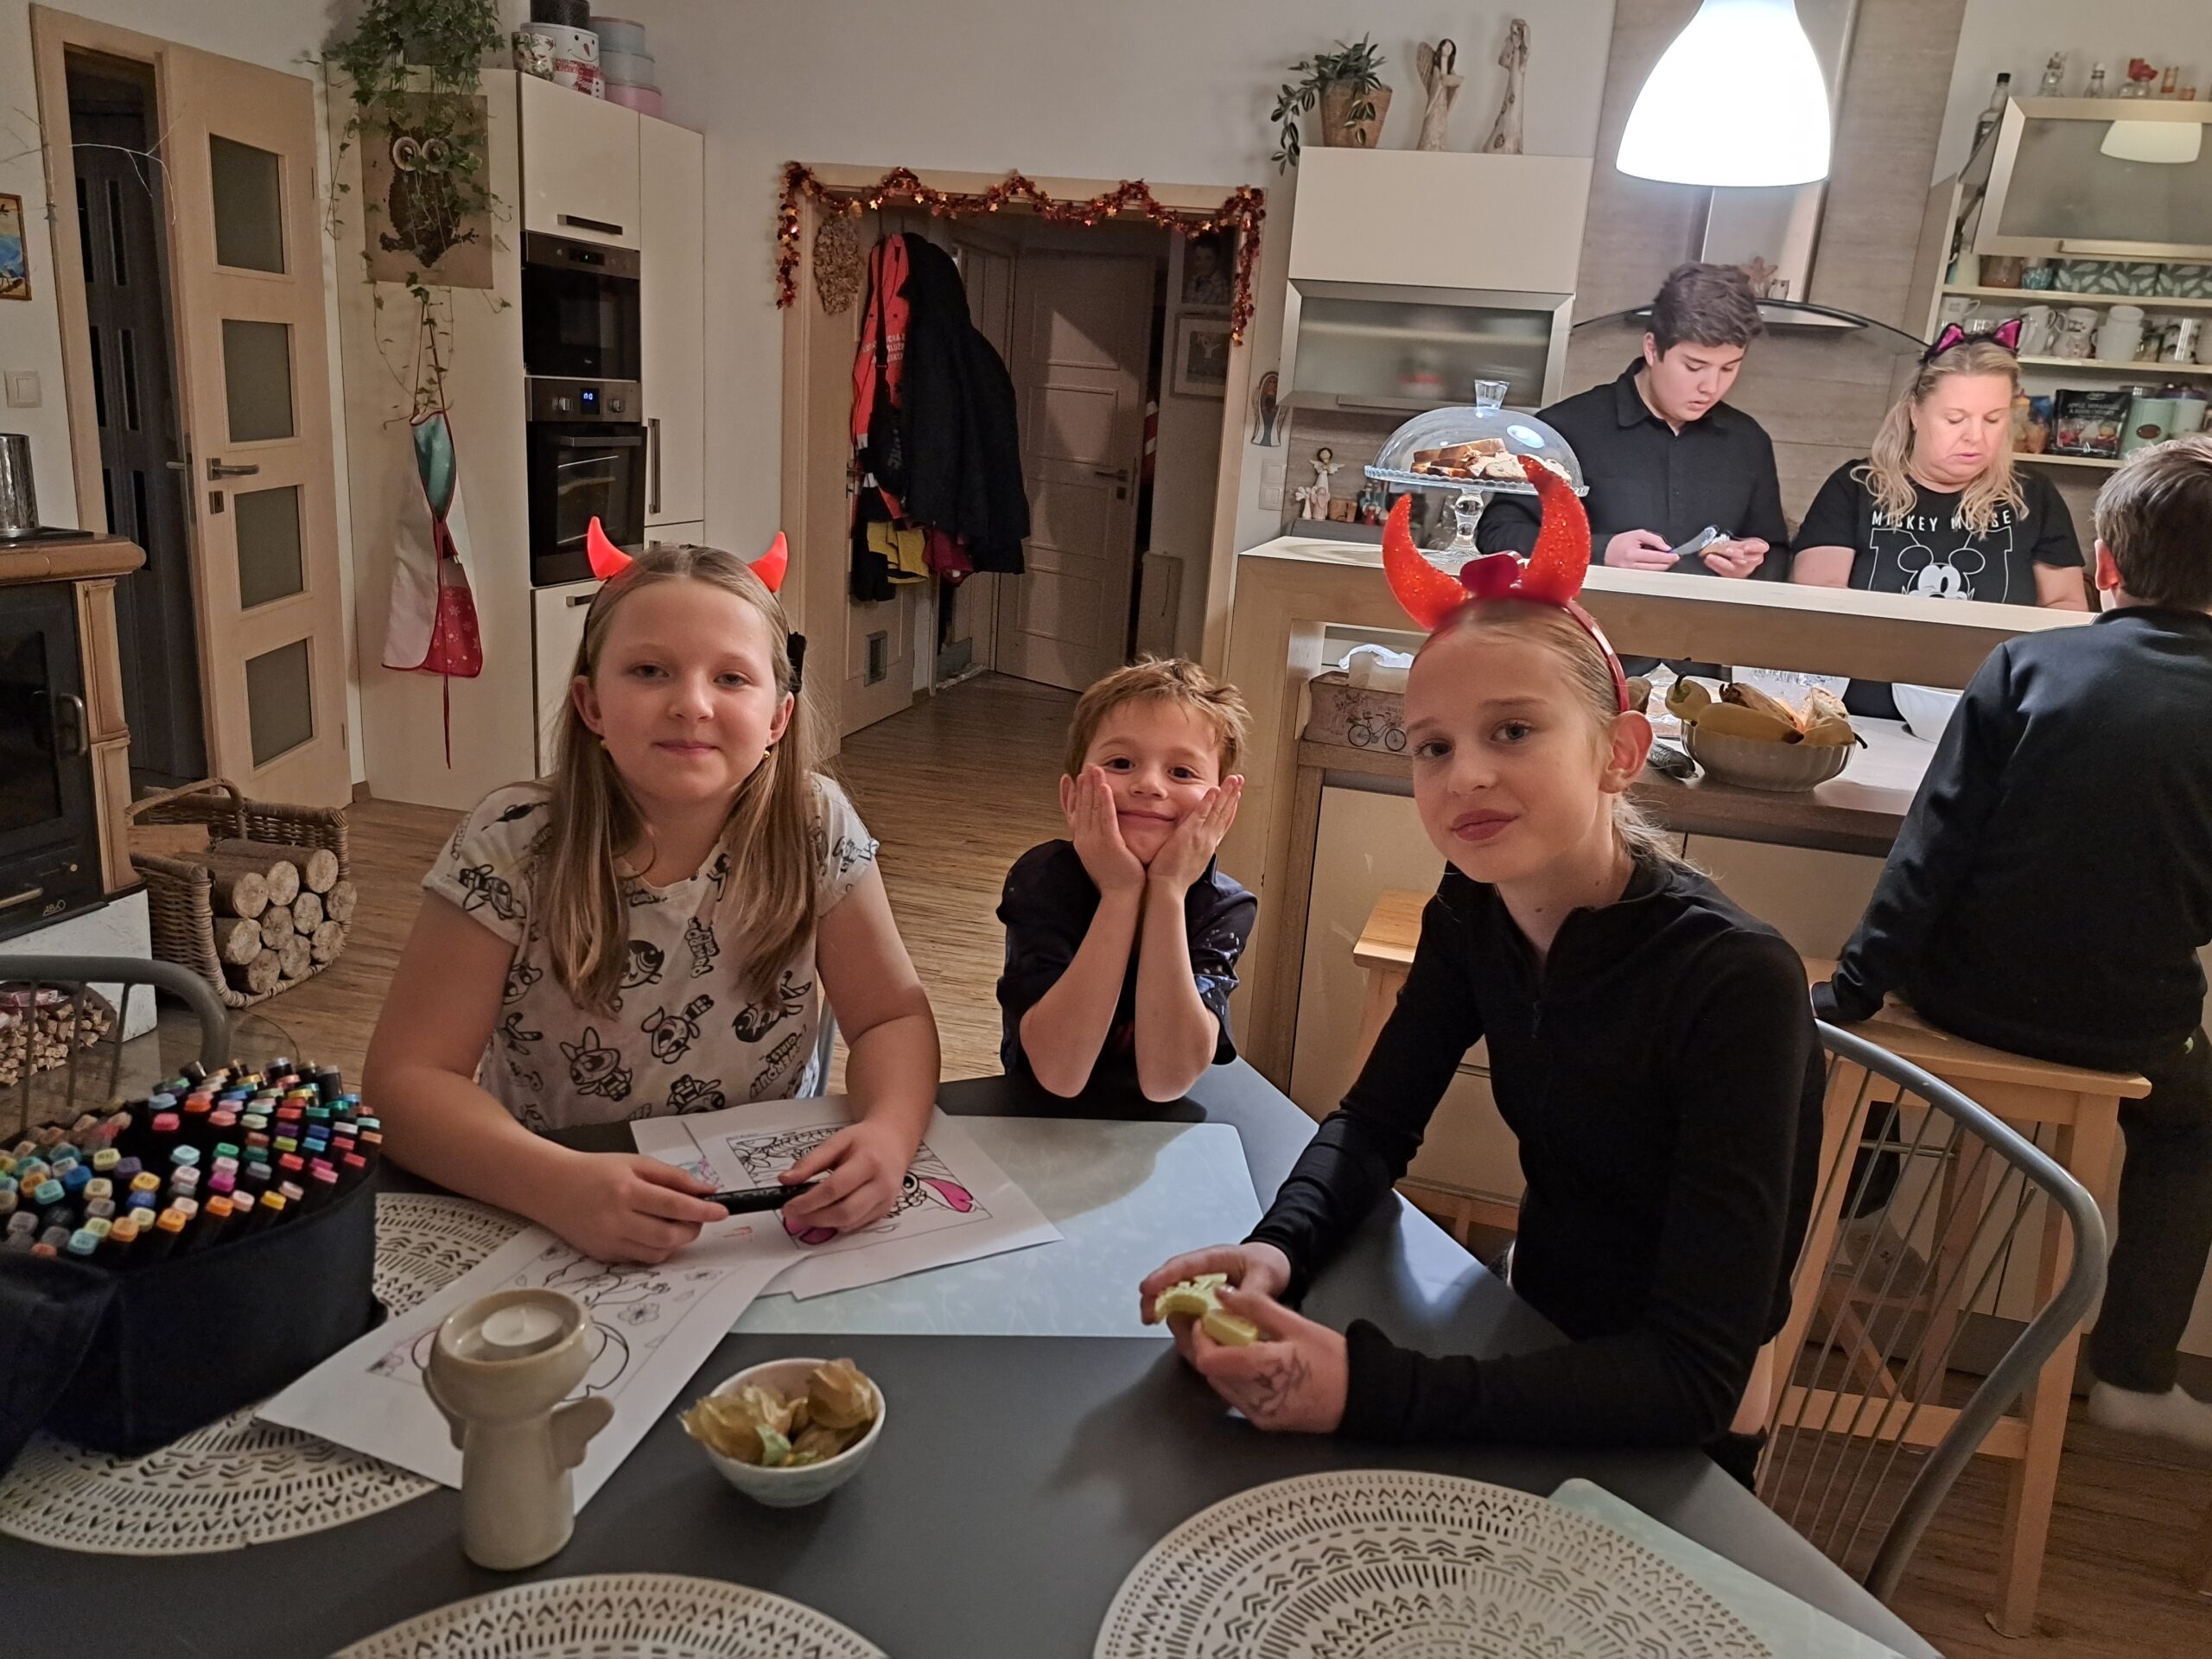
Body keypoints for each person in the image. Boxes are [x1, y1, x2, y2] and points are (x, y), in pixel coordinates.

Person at [1142, 468, 1821, 1486]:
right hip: (1526, 1324)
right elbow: (1375, 1122)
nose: (1464, 775)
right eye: (1432, 747)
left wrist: (1370, 1390)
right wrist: (1276, 1249)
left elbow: (1694, 1378)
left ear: (1619, 753)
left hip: (1666, 1432)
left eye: (1512, 731)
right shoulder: (1476, 906)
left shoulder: (1734, 984)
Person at [366, 535, 941, 1265]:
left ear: (778, 718)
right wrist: (553, 1184)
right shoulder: (509, 844)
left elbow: (891, 1017)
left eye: (731, 678)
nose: (691, 705)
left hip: (759, 1205)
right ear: (591, 704)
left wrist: (889, 1134)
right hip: (545, 1191)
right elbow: (407, 1081)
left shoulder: (814, 824)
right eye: (649, 671)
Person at [1816, 436, 2212, 1449]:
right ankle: (2132, 1374)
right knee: (2194, 1128)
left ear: (2105, 564)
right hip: (2130, 1031)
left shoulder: (2028, 663)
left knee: (1870, 1033)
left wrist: (1850, 994)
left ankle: (1857, 1202)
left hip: (1962, 999)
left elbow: (1926, 856)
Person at [1790, 332, 2088, 720]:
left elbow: (2066, 611)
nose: (1975, 437)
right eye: (1955, 419)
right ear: (1915, 413)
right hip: (1860, 716)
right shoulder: (1857, 487)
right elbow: (1816, 600)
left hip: (1986, 715)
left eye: (1993, 419)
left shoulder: (2033, 497)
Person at [997, 658, 1255, 1103]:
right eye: (1121, 763)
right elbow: (1060, 1075)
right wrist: (1121, 893)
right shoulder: (1043, 880)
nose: (1149, 785)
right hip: (1036, 1117)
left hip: (1164, 1126)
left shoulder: (1224, 906)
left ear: (1224, 810)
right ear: (1072, 797)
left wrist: (1168, 890)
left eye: (1181, 772)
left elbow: (1166, 1082)